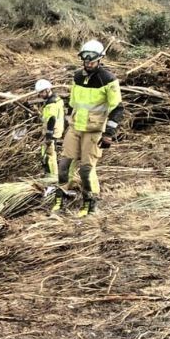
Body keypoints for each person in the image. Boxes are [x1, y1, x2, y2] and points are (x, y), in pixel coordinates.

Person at [53, 40, 124, 217]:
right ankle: (60, 198)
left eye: (92, 60)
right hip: (76, 127)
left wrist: (109, 133)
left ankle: (90, 203)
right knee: (63, 165)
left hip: (94, 130)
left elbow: (117, 108)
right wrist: (67, 124)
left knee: (86, 169)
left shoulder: (108, 80)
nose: (89, 63)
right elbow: (72, 103)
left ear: (100, 59)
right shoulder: (77, 77)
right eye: (86, 60)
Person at [35, 79, 64, 179]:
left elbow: (52, 119)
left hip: (52, 133)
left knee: (50, 156)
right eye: (39, 93)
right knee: (46, 153)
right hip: (55, 131)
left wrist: (48, 135)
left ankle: (52, 177)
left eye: (42, 92)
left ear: (48, 90)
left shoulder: (51, 103)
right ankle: (49, 174)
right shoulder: (56, 99)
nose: (41, 95)